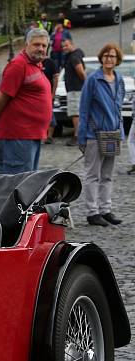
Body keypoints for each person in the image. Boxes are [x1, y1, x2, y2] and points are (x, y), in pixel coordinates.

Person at [77, 43, 125, 226]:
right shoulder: (93, 79)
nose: (109, 59)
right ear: (101, 58)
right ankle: (92, 212)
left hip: (112, 134)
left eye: (112, 56)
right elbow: (84, 109)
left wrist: (120, 131)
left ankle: (106, 209)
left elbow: (118, 108)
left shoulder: (119, 79)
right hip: (94, 134)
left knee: (107, 175)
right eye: (106, 56)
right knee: (92, 175)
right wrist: (81, 136)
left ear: (117, 59)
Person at [0, 28, 52, 174]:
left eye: (44, 46)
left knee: (28, 182)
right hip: (19, 135)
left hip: (32, 135)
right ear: (27, 44)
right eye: (36, 44)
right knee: (19, 182)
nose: (41, 49)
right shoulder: (18, 65)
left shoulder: (36, 66)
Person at [63, 38, 86, 145]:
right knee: (76, 113)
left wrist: (86, 85)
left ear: (72, 44)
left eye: (66, 45)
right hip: (74, 89)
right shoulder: (73, 56)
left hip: (75, 89)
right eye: (63, 46)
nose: (64, 48)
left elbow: (81, 72)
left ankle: (77, 136)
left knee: (75, 113)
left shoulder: (74, 57)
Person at [42, 55, 60, 144]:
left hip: (48, 93)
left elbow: (56, 77)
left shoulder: (50, 62)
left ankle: (49, 136)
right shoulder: (34, 62)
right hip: (37, 95)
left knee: (49, 114)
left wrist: (53, 93)